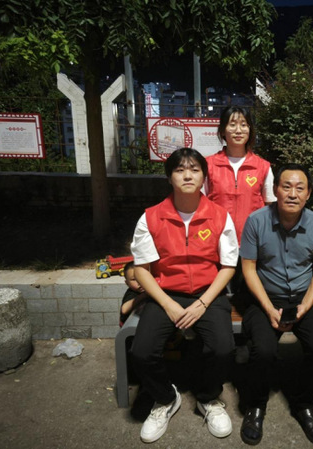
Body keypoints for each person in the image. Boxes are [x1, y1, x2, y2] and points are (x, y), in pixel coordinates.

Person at [129, 148, 239, 444]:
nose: (187, 175)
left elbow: (228, 267)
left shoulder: (220, 215)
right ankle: (166, 398)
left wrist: (203, 303)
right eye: (179, 170)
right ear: (169, 177)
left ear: (204, 177)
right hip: (166, 293)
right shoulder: (151, 217)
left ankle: (208, 398)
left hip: (208, 293)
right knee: (141, 352)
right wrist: (168, 304)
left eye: (194, 169)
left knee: (223, 348)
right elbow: (142, 270)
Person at [238, 163, 313, 446]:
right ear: (275, 190)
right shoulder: (256, 221)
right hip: (265, 297)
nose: (293, 193)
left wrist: (306, 305)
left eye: (300, 188)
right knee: (263, 351)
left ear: (309, 194)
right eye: (286, 186)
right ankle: (256, 405)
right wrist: (268, 308)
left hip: (305, 297)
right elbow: (249, 269)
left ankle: (304, 403)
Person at [204, 105, 275, 242]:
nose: (238, 130)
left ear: (250, 130)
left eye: (243, 125)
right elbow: (200, 202)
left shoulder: (262, 167)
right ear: (223, 130)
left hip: (252, 240)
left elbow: (270, 206)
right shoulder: (209, 165)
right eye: (232, 125)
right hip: (217, 240)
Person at [119, 261, 146, 326]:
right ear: (127, 283)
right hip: (128, 326)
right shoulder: (131, 293)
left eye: (142, 277)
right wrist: (144, 295)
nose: (139, 281)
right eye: (134, 279)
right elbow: (124, 309)